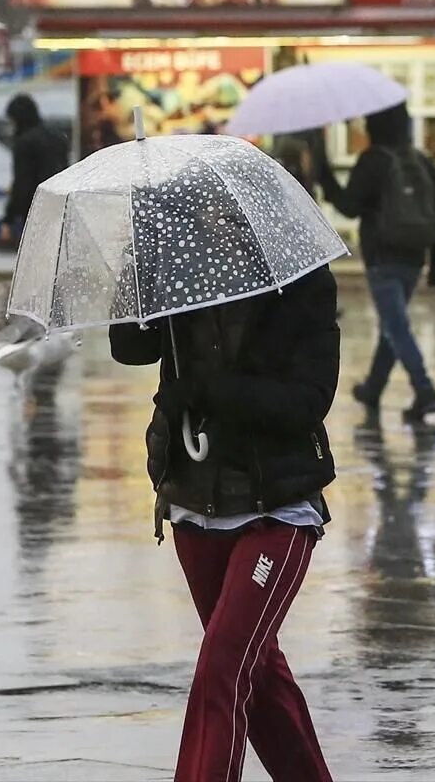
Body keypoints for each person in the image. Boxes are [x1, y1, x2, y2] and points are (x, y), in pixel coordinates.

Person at [109, 265, 338, 782]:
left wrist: (207, 391)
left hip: (276, 507)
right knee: (260, 676)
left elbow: (309, 401)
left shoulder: (302, 281)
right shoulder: (179, 265)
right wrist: (142, 265)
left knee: (224, 667)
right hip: (195, 504)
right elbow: (127, 346)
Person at [314, 102, 435, 420]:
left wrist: (324, 174)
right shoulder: (421, 160)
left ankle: (425, 390)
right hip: (415, 258)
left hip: (383, 256)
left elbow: (349, 206)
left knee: (396, 325)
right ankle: (373, 388)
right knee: (394, 322)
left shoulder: (374, 161)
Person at [1, 93, 69, 246]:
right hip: (59, 206)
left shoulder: (24, 143)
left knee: (36, 254)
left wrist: (8, 218)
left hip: (35, 209)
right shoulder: (57, 138)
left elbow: (22, 183)